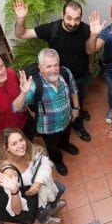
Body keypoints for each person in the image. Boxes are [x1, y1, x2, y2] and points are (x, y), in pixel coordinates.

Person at [14, 0, 92, 142]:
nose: (73, 23)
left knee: (79, 97)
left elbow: (89, 50)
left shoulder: (85, 29)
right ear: (62, 15)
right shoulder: (52, 29)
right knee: (64, 101)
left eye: (77, 19)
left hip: (81, 75)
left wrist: (90, 65)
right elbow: (21, 34)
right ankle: (77, 125)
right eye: (69, 18)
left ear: (81, 17)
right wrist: (20, 19)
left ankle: (78, 111)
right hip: (60, 78)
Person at [12, 48, 80, 176]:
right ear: (40, 67)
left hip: (67, 118)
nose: (53, 69)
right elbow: (16, 108)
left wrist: (76, 109)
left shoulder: (65, 73)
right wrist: (24, 93)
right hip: (48, 127)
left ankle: (65, 145)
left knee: (66, 136)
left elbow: (74, 90)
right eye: (48, 66)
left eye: (55, 65)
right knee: (53, 148)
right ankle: (58, 160)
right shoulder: (34, 85)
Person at [0, 127, 66, 224]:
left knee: (61, 189)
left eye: (21, 140)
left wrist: (38, 183)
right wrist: (14, 191)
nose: (21, 145)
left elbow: (45, 163)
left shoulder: (29, 149)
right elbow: (16, 210)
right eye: (14, 144)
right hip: (35, 201)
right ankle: (46, 221)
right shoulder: (9, 172)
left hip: (45, 186)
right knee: (43, 212)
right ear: (7, 148)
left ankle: (54, 206)